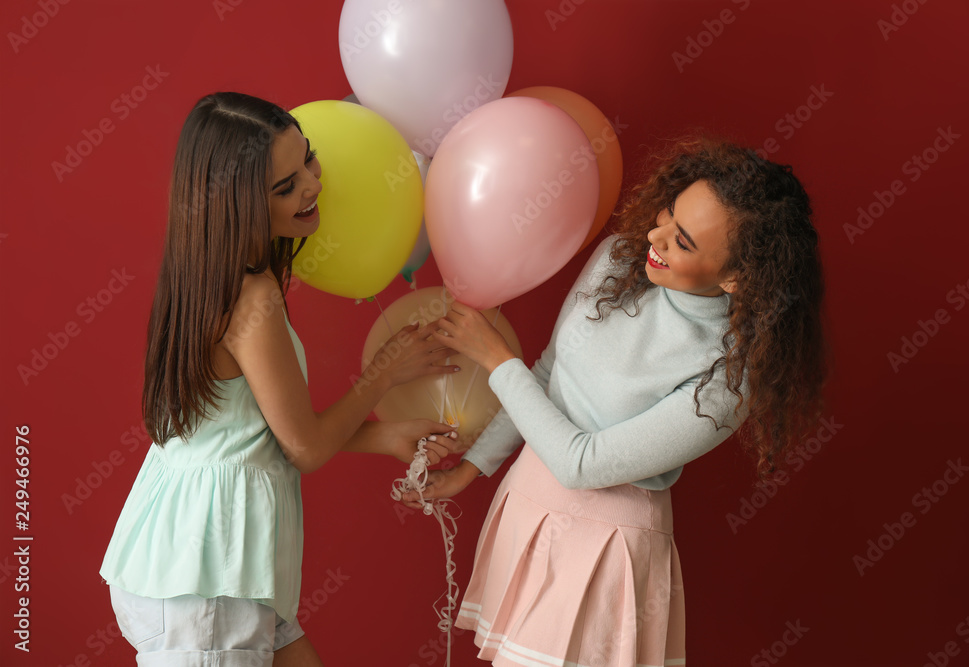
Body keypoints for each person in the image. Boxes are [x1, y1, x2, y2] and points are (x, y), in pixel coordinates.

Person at [401, 135, 828, 666]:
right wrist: (472, 467)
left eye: (684, 242)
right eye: (668, 215)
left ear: (738, 277)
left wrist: (494, 359)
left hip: (604, 551)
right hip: (527, 507)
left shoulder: (733, 375)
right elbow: (550, 374)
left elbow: (583, 464)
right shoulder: (618, 261)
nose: (655, 235)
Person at [99, 92, 461, 666]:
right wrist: (382, 374)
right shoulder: (252, 296)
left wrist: (380, 436)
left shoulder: (203, 275)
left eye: (308, 161)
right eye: (285, 186)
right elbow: (306, 447)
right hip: (213, 580)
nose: (313, 186)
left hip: (201, 564)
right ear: (239, 203)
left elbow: (252, 431)